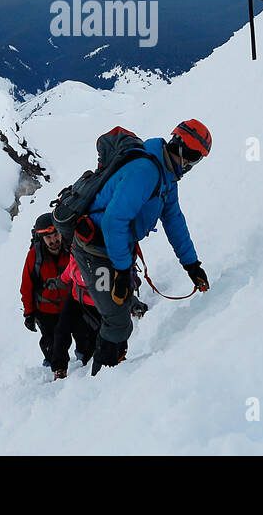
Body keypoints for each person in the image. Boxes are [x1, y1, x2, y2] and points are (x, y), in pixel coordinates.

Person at [69, 121, 212, 375]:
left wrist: (191, 264)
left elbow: (174, 219)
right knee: (116, 319)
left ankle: (113, 367)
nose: (190, 164)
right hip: (95, 250)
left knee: (119, 312)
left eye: (197, 159)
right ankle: (101, 381)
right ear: (176, 146)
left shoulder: (168, 176)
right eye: (190, 155)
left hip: (114, 247)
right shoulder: (146, 171)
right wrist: (123, 271)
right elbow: (114, 222)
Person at [21, 213, 73, 366]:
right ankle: (53, 366)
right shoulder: (35, 256)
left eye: (55, 234)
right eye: (48, 237)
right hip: (45, 310)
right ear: (42, 239)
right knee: (52, 342)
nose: (53, 240)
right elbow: (26, 286)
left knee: (82, 335)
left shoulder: (71, 249)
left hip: (71, 305)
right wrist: (29, 313)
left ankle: (84, 360)